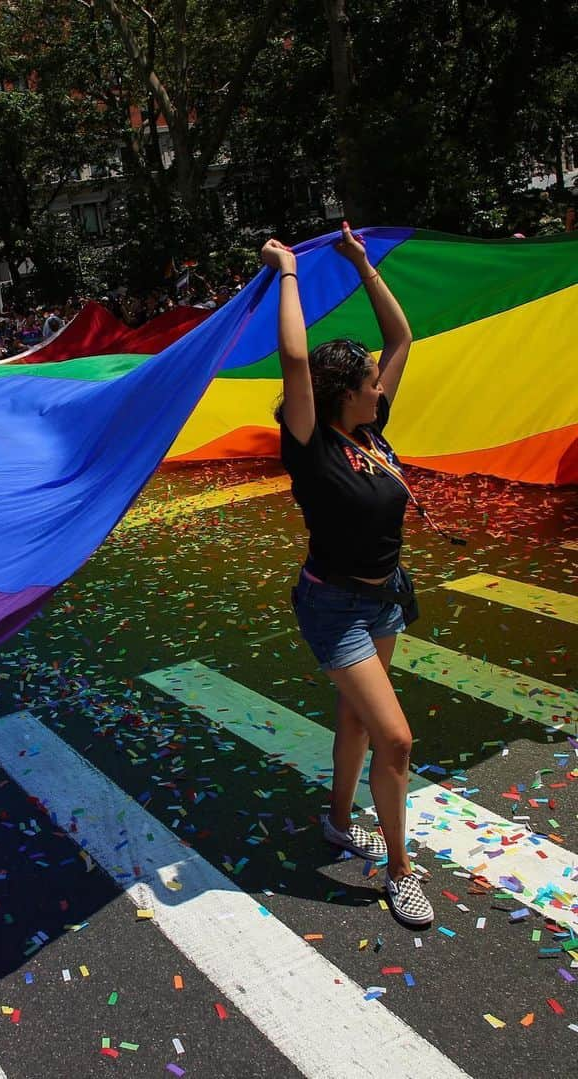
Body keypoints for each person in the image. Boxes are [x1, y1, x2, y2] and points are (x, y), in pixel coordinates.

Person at [263, 222, 430, 928]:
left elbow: (402, 339)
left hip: (384, 597)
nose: (379, 385)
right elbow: (297, 359)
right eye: (367, 381)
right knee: (395, 739)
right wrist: (287, 271)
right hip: (334, 606)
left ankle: (338, 821)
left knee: (358, 722)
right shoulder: (313, 445)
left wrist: (362, 262)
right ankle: (399, 869)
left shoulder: (369, 427)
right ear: (345, 394)